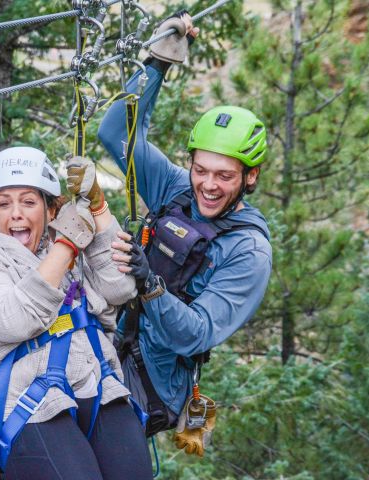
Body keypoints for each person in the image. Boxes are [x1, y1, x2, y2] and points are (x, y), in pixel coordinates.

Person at [98, 12, 273, 447]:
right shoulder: (176, 189)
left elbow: (195, 332)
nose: (209, 186)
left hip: (153, 378)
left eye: (225, 176)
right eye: (201, 169)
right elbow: (115, 131)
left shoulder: (248, 251)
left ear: (250, 177)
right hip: (107, 337)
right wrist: (157, 64)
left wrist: (148, 282)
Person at [0, 146, 152, 479]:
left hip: (96, 384)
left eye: (28, 202)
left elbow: (120, 288)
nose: (15, 214)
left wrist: (98, 207)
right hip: (21, 401)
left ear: (50, 209)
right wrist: (66, 246)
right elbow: (12, 319)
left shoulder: (66, 247)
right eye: (4, 204)